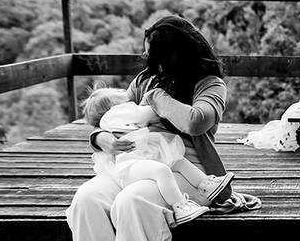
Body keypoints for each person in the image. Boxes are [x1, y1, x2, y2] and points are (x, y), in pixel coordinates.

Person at [66, 15, 231, 241]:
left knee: (133, 199)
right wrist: (101, 138)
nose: (148, 64)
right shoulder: (145, 78)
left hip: (183, 168)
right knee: (86, 198)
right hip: (133, 159)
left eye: (154, 56)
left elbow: (197, 122)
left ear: (176, 55)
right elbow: (116, 116)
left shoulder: (210, 84)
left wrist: (158, 99)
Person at [82, 86, 233, 225]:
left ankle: (206, 183)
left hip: (146, 157)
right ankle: (180, 205)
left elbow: (195, 120)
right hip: (132, 165)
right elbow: (147, 114)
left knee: (178, 162)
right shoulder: (117, 113)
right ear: (113, 105)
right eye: (120, 94)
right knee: (161, 171)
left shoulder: (210, 85)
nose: (126, 95)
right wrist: (158, 99)